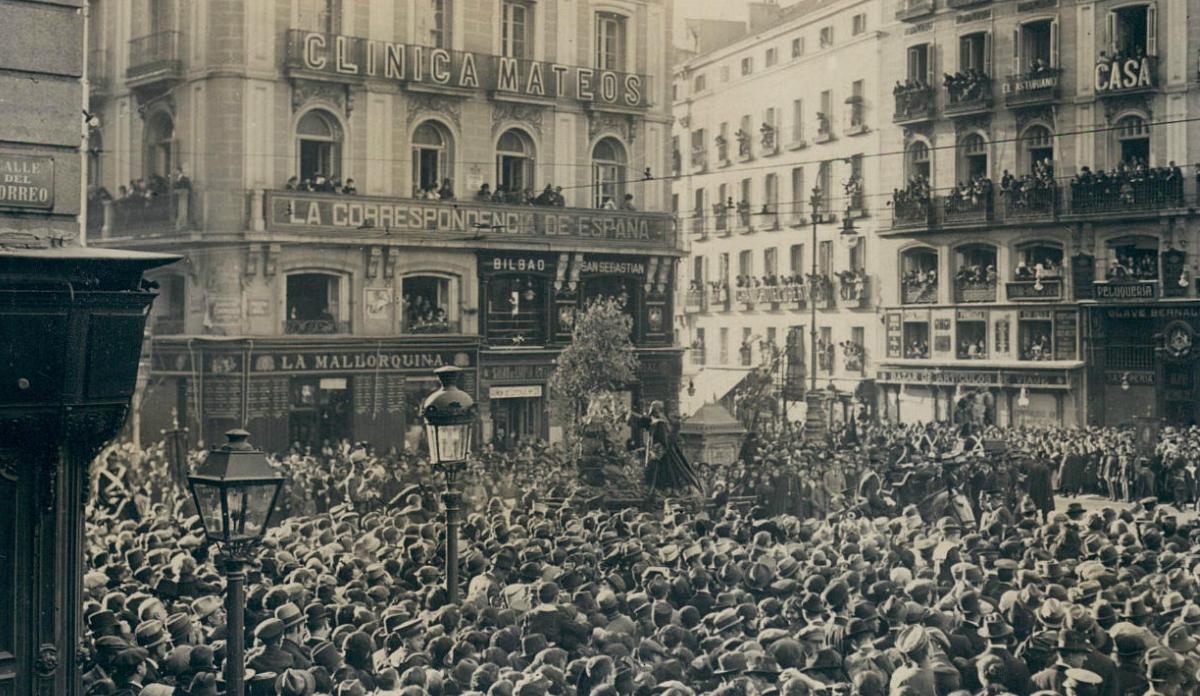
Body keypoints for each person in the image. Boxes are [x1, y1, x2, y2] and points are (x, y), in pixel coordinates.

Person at [628, 401, 702, 495]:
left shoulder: (660, 422)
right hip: (660, 451)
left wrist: (659, 449)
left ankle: (661, 490)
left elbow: (665, 439)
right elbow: (643, 421)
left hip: (661, 452)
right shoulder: (658, 421)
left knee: (661, 472)